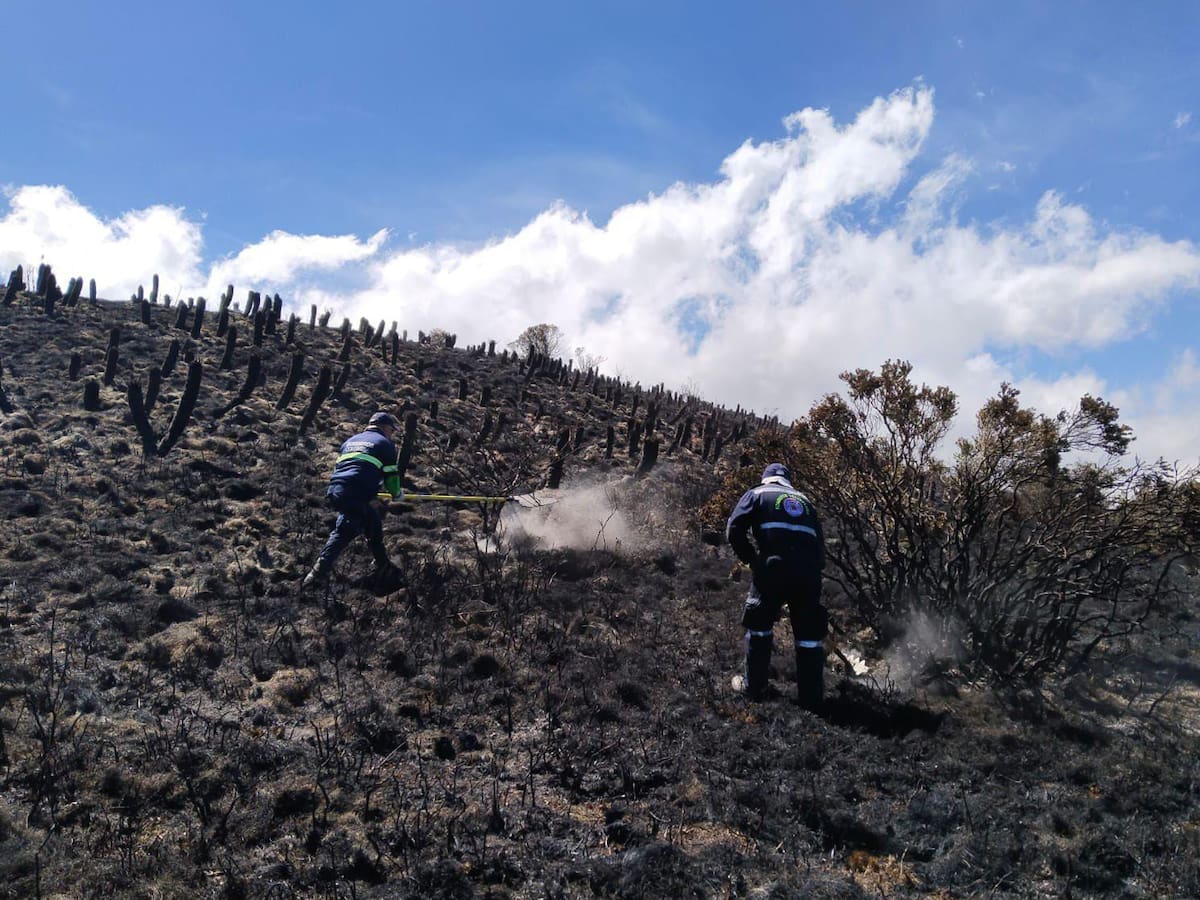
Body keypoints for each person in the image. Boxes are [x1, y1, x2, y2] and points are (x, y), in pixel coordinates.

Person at [725, 462, 828, 709]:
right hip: (808, 574)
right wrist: (811, 572)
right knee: (809, 637)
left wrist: (752, 559)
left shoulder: (757, 494)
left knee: (759, 627)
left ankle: (755, 688)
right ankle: (811, 699)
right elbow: (821, 548)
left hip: (773, 568)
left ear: (766, 478)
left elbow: (734, 529)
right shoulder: (806, 502)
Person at [303, 411, 403, 587]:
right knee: (345, 531)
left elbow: (353, 467)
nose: (392, 434)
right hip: (358, 491)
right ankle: (316, 574)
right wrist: (396, 494)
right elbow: (391, 476)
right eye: (392, 430)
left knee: (374, 525)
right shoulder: (384, 444)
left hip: (337, 489)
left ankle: (383, 566)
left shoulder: (350, 441)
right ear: (386, 427)